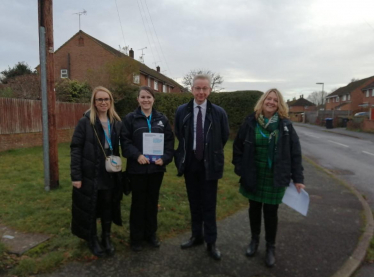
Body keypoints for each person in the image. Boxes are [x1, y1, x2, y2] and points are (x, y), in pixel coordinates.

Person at [232, 88, 305, 267]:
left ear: (279, 104)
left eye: (275, 100)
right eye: (268, 99)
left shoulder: (285, 125)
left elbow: (295, 153)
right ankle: (254, 241)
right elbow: (238, 147)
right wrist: (241, 169)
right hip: (254, 174)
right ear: (263, 101)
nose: (271, 102)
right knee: (254, 209)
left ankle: (270, 247)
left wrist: (298, 178)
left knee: (271, 213)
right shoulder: (250, 121)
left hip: (275, 176)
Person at [174, 74, 229, 261]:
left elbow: (223, 137)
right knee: (194, 203)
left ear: (210, 90)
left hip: (209, 165)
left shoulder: (219, 112)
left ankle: (211, 242)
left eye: (205, 88)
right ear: (192, 89)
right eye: (198, 88)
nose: (201, 92)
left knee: (209, 205)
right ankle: (196, 236)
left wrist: (209, 153)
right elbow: (178, 133)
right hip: (190, 164)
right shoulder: (182, 111)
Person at [70, 86, 126, 257]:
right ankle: (92, 239)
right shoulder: (85, 122)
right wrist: (76, 176)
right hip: (91, 171)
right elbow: (75, 149)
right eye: (99, 99)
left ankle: (106, 238)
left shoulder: (116, 122)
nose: (103, 102)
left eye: (106, 99)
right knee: (91, 206)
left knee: (108, 205)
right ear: (94, 102)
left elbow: (126, 142)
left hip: (110, 171)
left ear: (111, 101)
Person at [122, 86, 174, 252]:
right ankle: (136, 238)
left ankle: (150, 234)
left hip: (156, 170)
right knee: (138, 204)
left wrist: (165, 158)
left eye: (148, 97)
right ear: (138, 99)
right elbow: (125, 142)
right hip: (137, 169)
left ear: (153, 99)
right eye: (142, 97)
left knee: (152, 203)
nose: (145, 100)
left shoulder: (161, 119)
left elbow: (169, 143)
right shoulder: (130, 119)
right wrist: (137, 155)